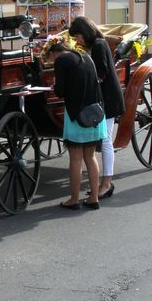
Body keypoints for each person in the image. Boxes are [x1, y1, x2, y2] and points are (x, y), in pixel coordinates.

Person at [41, 36, 107, 210]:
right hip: (94, 114)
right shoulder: (85, 56)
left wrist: (55, 86)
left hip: (76, 115)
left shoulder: (62, 60)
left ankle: (74, 199)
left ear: (55, 53)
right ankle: (94, 197)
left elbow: (61, 91)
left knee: (76, 159)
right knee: (91, 157)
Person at [68, 16, 125, 199]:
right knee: (104, 139)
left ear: (85, 32)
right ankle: (103, 182)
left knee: (106, 140)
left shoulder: (99, 45)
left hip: (107, 99)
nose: (77, 40)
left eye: (77, 36)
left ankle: (107, 182)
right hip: (102, 97)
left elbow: (101, 75)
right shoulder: (96, 44)